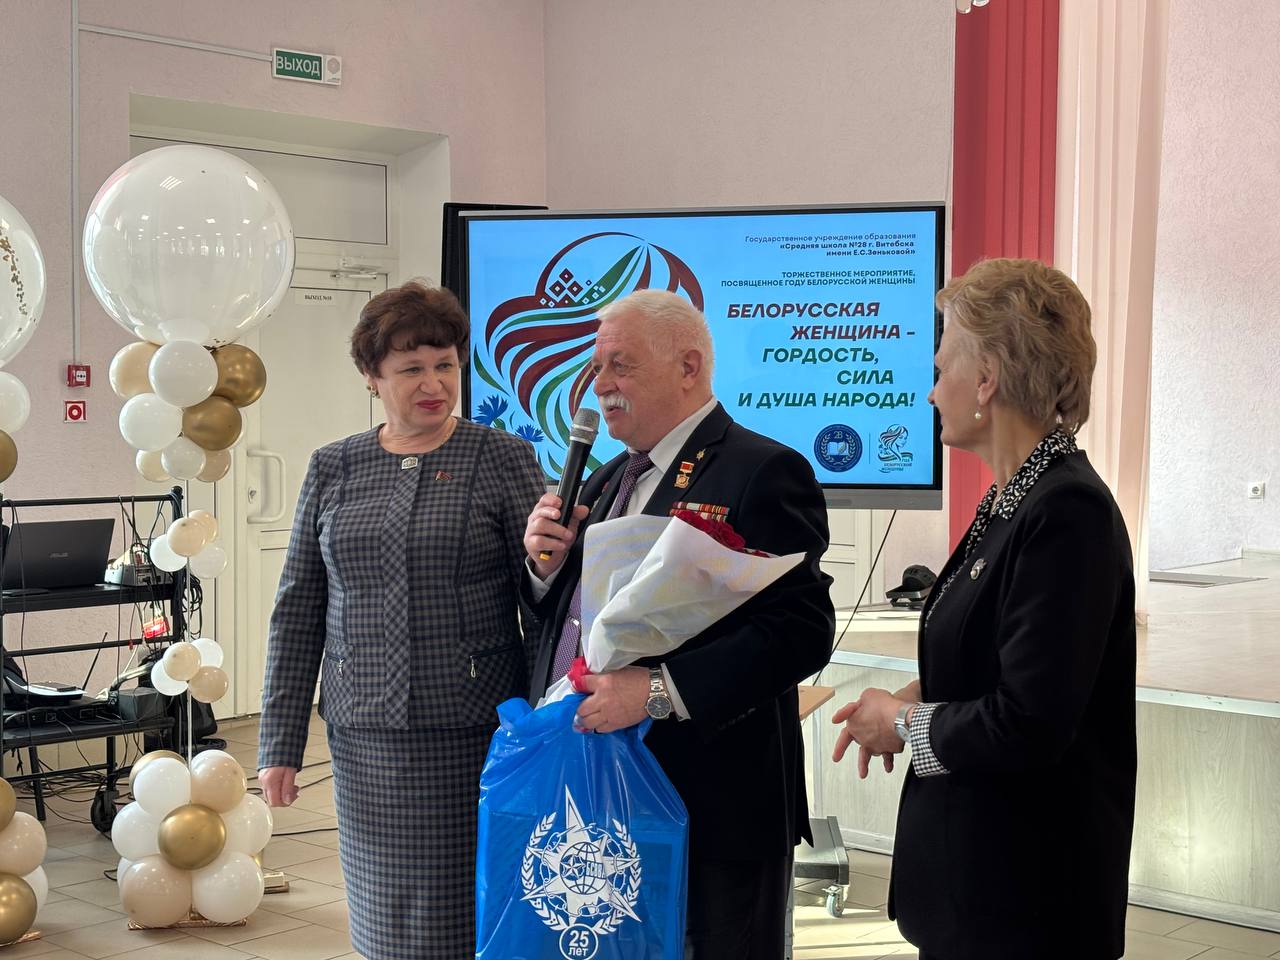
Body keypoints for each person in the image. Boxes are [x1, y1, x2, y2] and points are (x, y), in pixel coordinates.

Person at [831, 258, 1136, 960]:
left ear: (988, 379)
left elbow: (1029, 723)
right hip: (980, 886)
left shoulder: (1066, 510)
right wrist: (918, 694)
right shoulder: (1012, 497)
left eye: (942, 370)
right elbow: (995, 661)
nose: (931, 391)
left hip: (1026, 902)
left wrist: (901, 723)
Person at [524, 288, 835, 959]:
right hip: (599, 796)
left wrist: (658, 691)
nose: (600, 385)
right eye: (597, 367)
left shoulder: (761, 470)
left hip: (712, 806)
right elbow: (574, 618)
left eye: (621, 365)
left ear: (688, 367)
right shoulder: (605, 478)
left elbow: (802, 630)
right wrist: (543, 569)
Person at [256, 281, 546, 960]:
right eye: (411, 368)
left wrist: (544, 721)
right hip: (364, 737)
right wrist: (279, 742)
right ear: (372, 376)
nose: (433, 384)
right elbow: (299, 606)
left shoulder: (500, 456)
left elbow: (544, 597)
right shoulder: (334, 466)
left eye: (445, 364)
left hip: (474, 729)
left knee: (468, 910)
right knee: (383, 916)